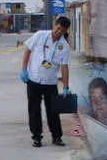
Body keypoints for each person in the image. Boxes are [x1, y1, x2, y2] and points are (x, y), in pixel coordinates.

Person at [20, 16, 71, 148]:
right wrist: (23, 70)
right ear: (54, 25)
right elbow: (28, 51)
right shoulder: (40, 35)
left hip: (50, 83)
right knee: (34, 110)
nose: (59, 32)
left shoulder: (64, 47)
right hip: (34, 80)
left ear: (65, 31)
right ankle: (37, 137)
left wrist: (65, 86)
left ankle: (57, 137)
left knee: (53, 111)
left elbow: (64, 67)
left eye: (62, 30)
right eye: (58, 28)